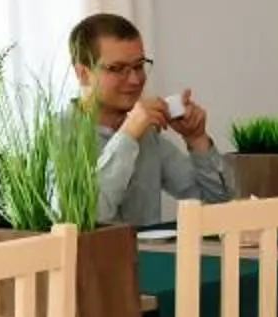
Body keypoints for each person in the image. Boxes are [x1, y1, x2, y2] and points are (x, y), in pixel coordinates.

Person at [70, 12, 234, 227]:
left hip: (148, 251)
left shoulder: (147, 136)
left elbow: (220, 205)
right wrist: (127, 136)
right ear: (83, 74)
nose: (134, 79)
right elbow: (85, 219)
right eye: (117, 69)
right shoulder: (57, 137)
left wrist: (197, 140)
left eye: (138, 66)